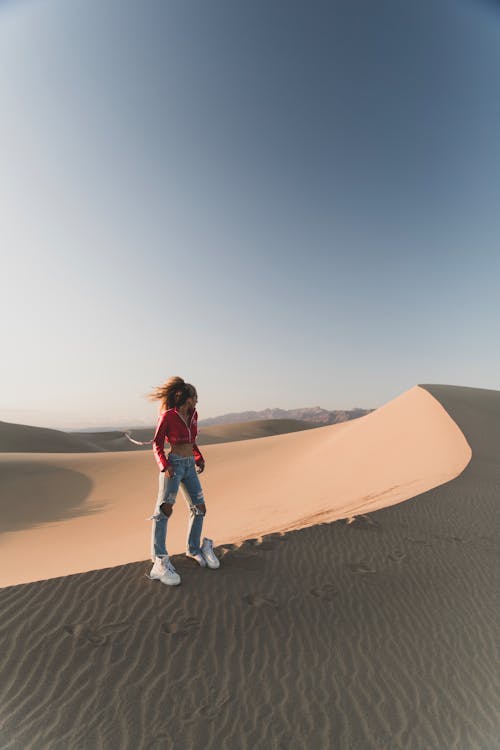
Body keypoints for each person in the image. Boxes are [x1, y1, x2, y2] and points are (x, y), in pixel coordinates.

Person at [146, 376, 220, 586]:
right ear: (188, 398)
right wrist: (164, 465)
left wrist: (199, 457)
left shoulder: (193, 415)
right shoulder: (168, 416)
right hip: (174, 466)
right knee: (164, 511)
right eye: (195, 398)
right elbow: (157, 444)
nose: (197, 402)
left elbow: (192, 441)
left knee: (200, 508)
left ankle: (193, 548)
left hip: (189, 466)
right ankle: (159, 559)